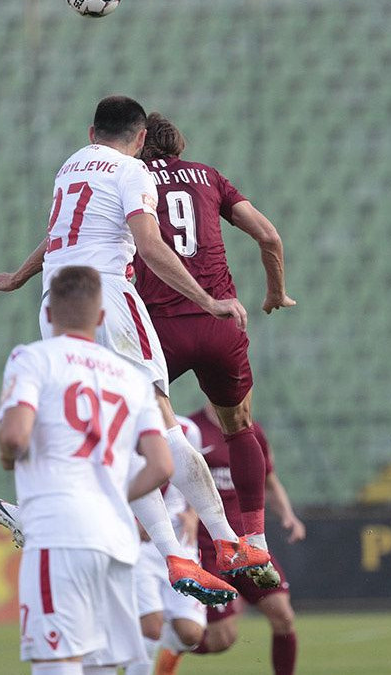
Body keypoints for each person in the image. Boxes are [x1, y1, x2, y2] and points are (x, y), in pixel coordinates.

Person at [0, 95, 268, 605]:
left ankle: (170, 552)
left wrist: (19, 277)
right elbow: (151, 246)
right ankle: (227, 542)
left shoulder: (71, 166)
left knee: (113, 430)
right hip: (107, 296)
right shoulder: (133, 172)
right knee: (158, 423)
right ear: (139, 139)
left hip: (55, 301)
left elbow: (59, 234)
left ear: (92, 133)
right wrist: (208, 300)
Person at [134, 112, 295, 573]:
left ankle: (161, 541)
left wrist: (22, 274)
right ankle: (256, 542)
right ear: (178, 146)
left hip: (160, 327)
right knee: (240, 426)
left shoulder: (130, 179)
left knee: (133, 426)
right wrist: (275, 291)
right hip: (220, 320)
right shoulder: (208, 177)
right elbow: (268, 235)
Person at [0, 265, 174, 675]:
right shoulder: (131, 377)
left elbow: (15, 438)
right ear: (103, 317)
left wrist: (8, 458)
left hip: (59, 532)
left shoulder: (32, 358)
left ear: (49, 313)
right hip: (115, 539)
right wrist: (108, 495)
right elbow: (162, 464)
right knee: (100, 666)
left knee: (57, 662)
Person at [159, 403, 304, 675]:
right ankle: (171, 642)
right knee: (220, 639)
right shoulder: (191, 428)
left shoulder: (250, 431)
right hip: (207, 546)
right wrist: (186, 514)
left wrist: (288, 514)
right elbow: (176, 475)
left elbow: (268, 480)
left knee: (283, 615)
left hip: (247, 545)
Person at [127, 416, 208, 675]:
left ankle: (124, 642)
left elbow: (196, 476)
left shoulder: (187, 430)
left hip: (180, 540)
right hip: (140, 543)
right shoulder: (125, 423)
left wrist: (194, 515)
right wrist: (134, 518)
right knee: (151, 627)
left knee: (191, 633)